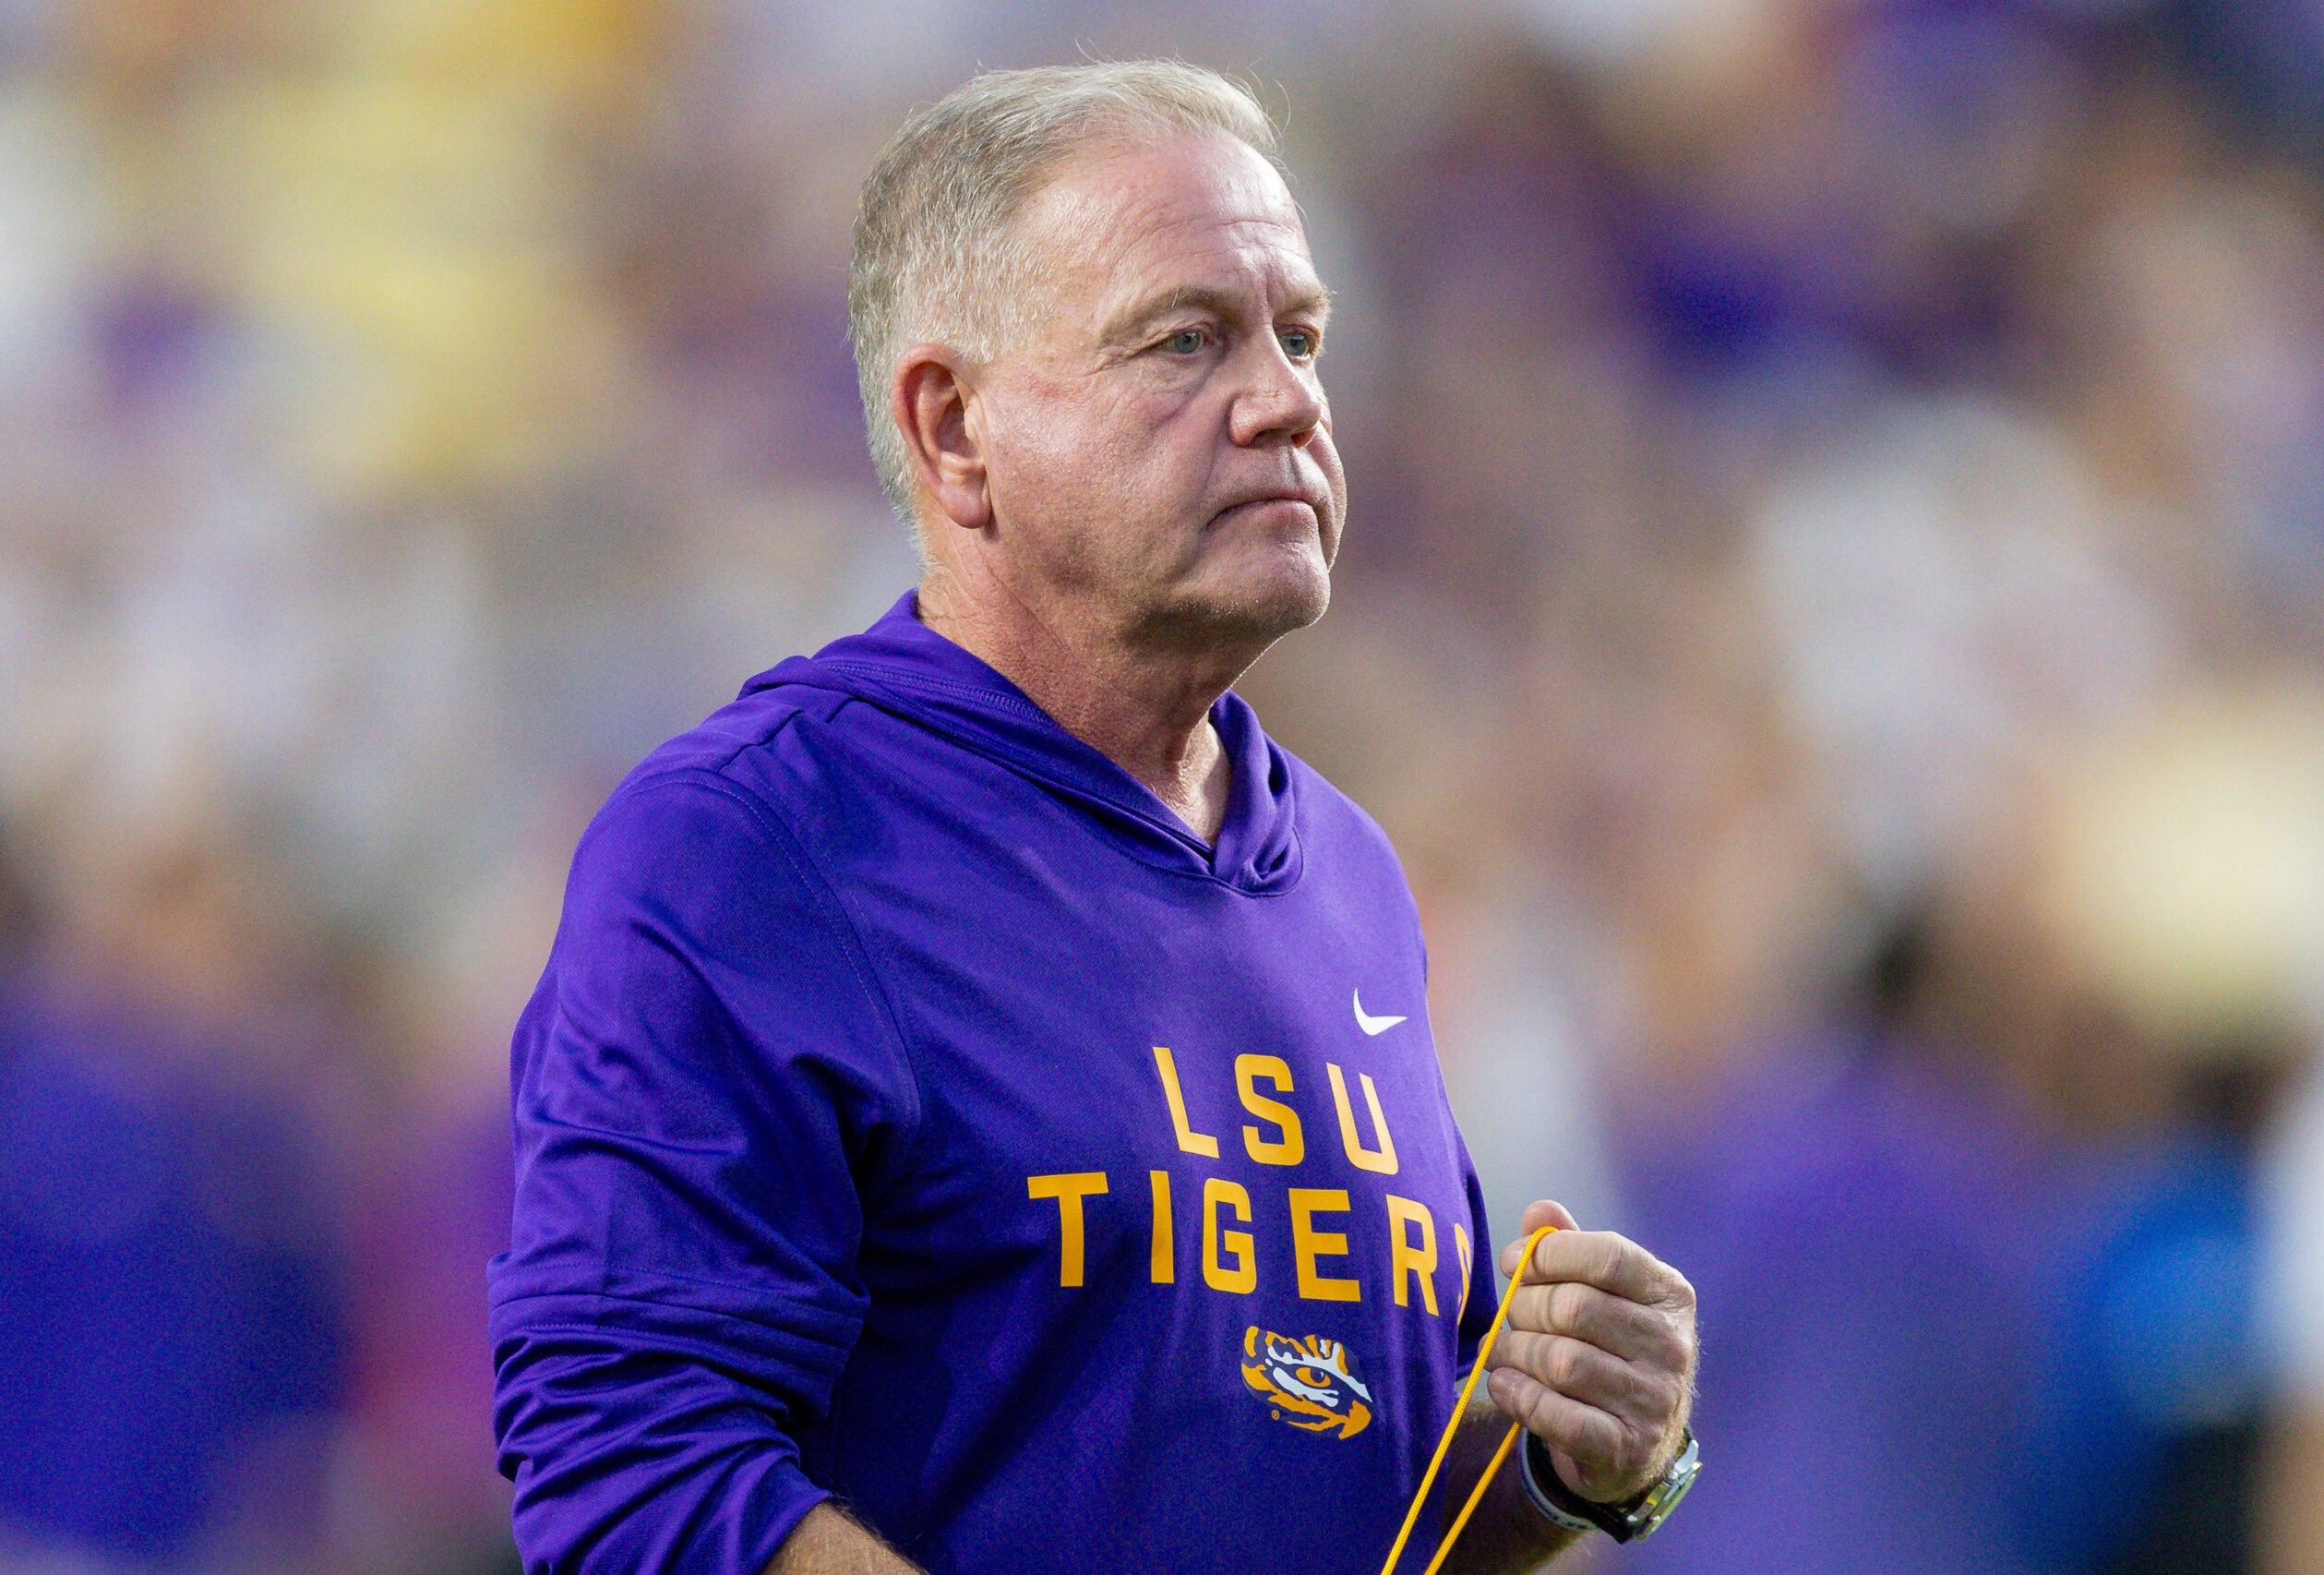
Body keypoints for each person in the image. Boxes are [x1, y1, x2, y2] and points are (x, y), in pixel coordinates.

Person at [489, 61, 1699, 1574]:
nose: (1286, 401)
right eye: (1187, 340)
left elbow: (1357, 1493)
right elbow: (631, 1479)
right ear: (954, 430)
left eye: (1302, 336)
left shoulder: (1350, 874)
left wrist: (1570, 1471)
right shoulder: (754, 846)